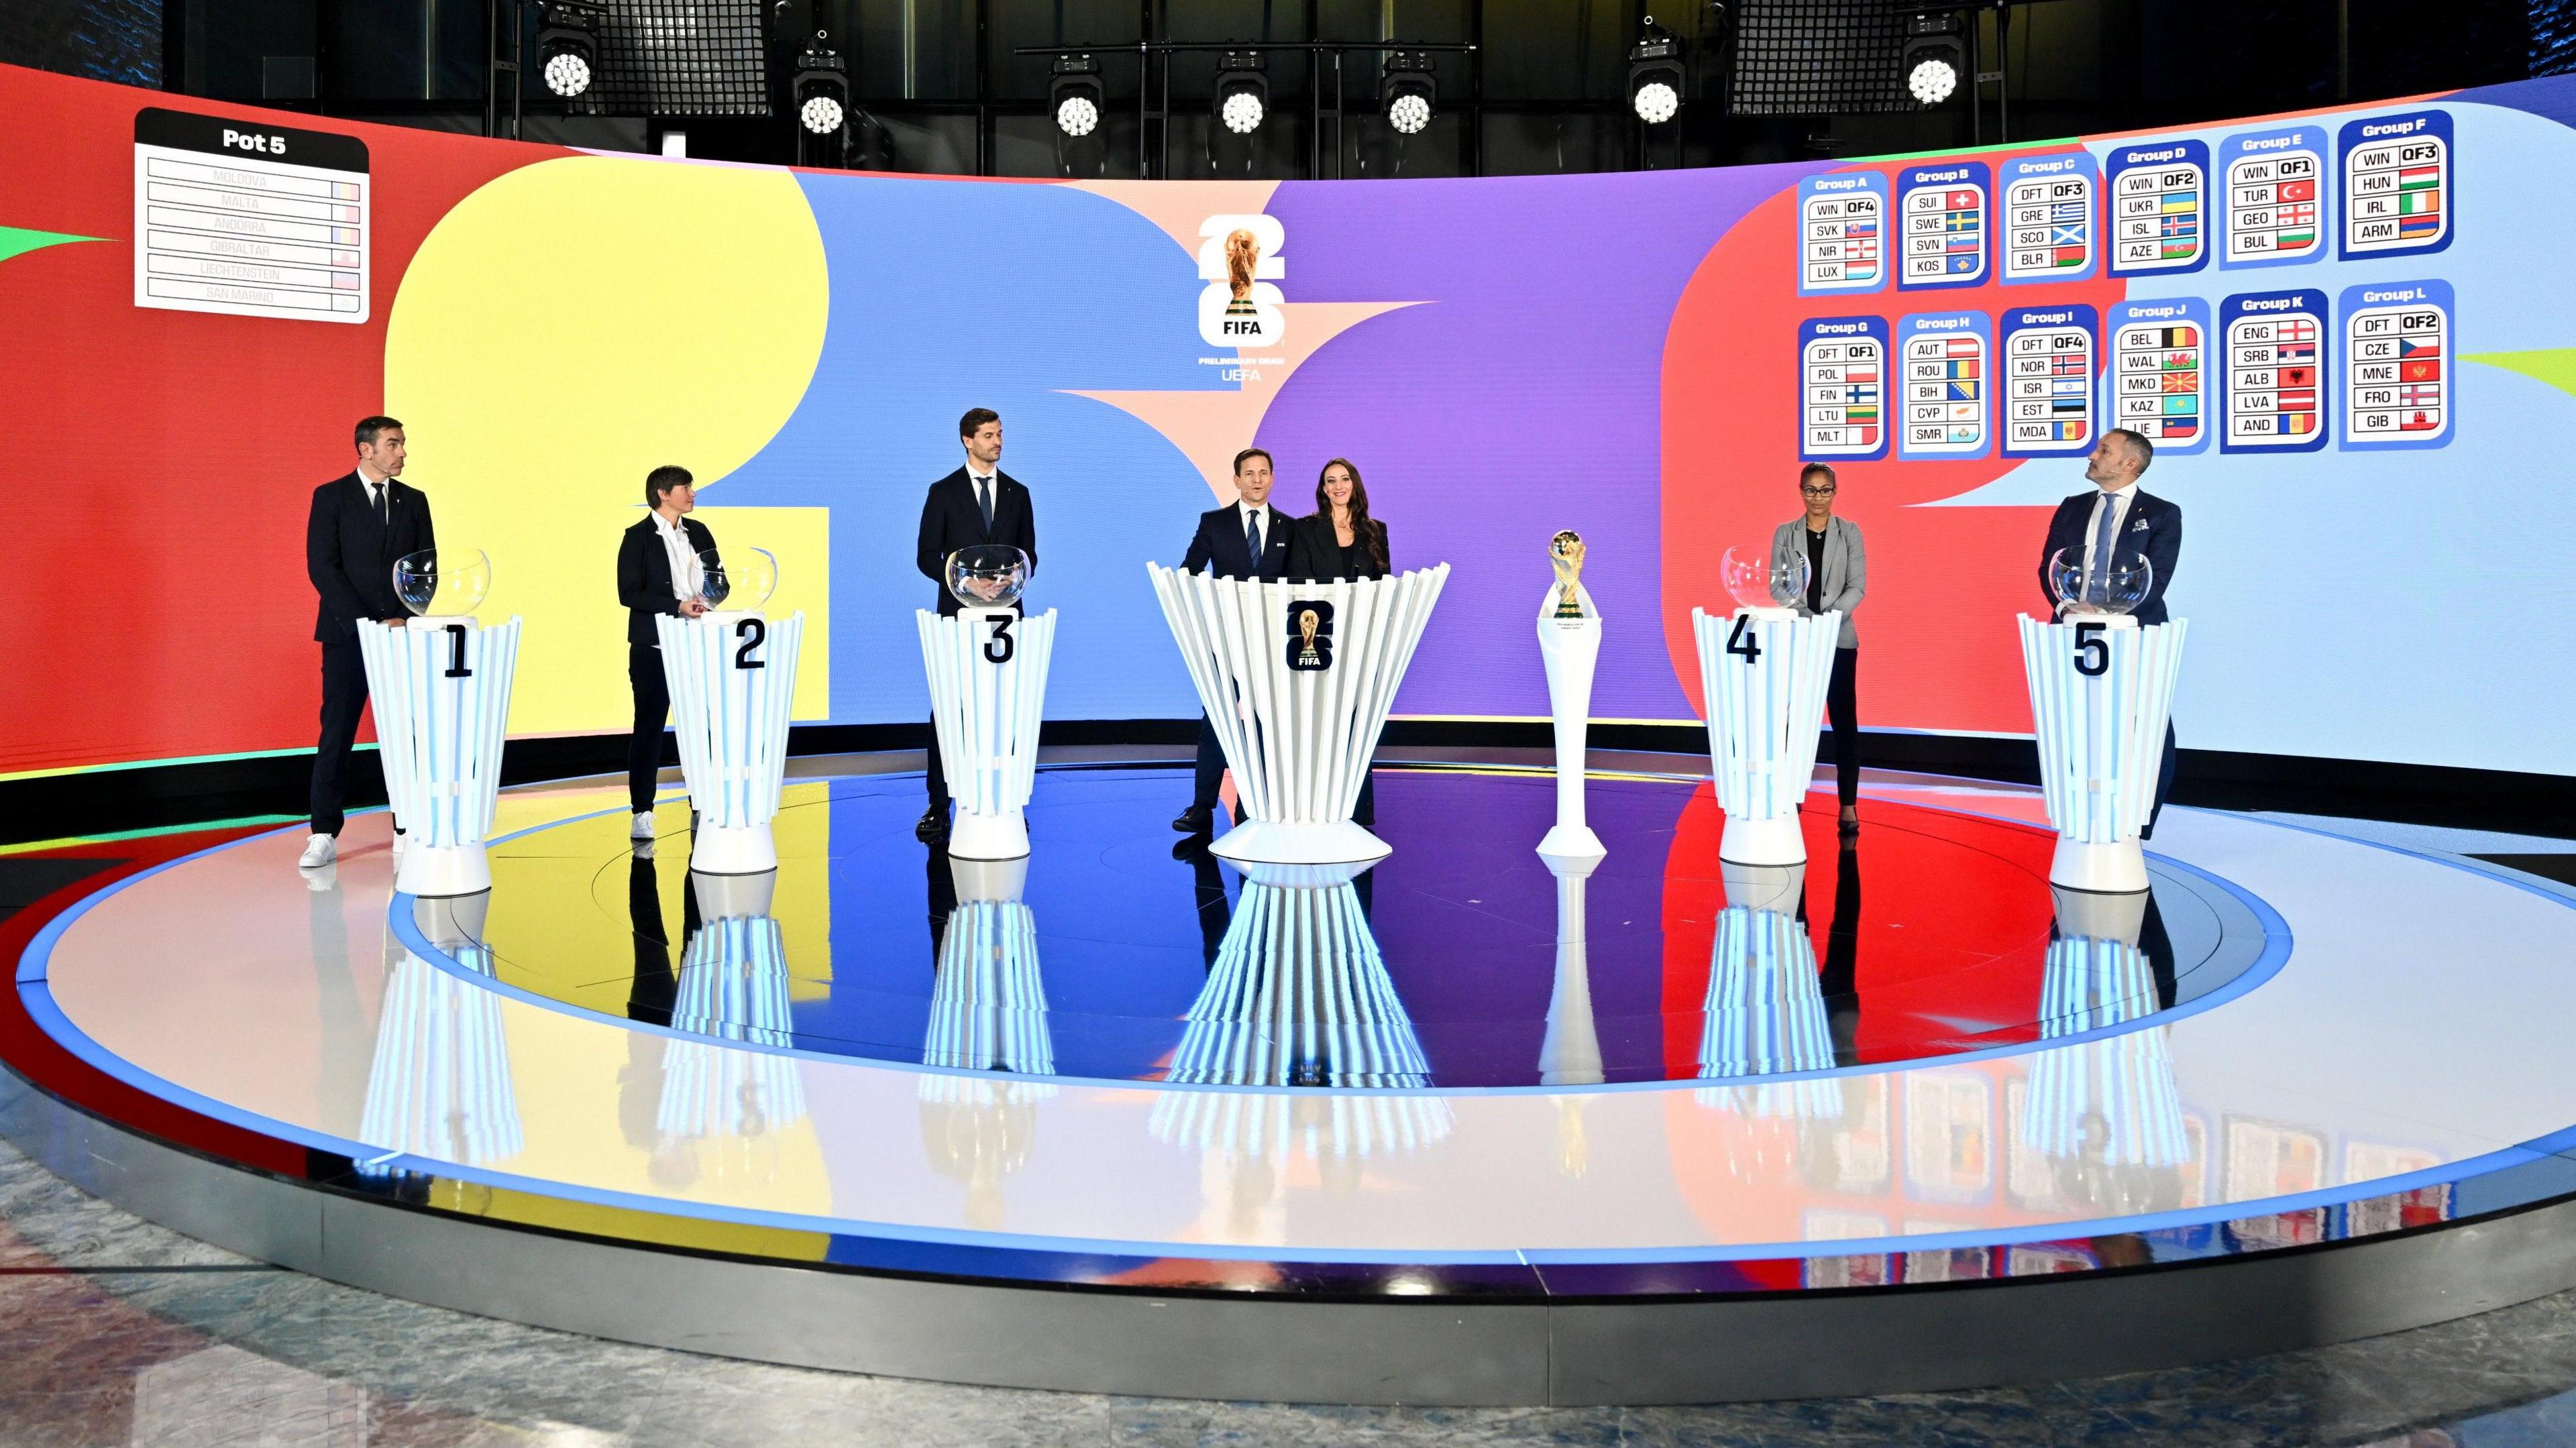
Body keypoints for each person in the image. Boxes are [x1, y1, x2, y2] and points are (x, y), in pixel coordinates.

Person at [300, 416, 435, 870]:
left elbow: (425, 568)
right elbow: (323, 567)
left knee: (404, 732)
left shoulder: (414, 501)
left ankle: (406, 823)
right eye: (393, 444)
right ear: (366, 449)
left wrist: (404, 616)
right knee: (337, 731)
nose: (402, 453)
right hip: (347, 637)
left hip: (400, 635)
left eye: (402, 444)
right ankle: (322, 831)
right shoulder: (331, 497)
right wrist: (366, 622)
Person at [2039, 427, 2183, 836]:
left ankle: (2139, 825)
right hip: (2073, 631)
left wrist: (2107, 612)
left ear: (2130, 464)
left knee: (2148, 729)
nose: (2093, 454)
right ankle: (2079, 820)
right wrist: (2069, 607)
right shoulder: (2072, 507)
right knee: (2073, 726)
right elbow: (2048, 567)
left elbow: (2157, 579)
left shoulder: (2161, 514)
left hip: (2133, 636)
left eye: (2104, 449)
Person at [916, 408, 1038, 841]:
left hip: (1006, 618)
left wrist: (1007, 581)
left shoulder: (1018, 493)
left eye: (1000, 433)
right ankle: (939, 804)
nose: (997, 441)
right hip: (959, 618)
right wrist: (966, 581)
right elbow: (927, 555)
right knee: (952, 710)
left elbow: (1030, 555)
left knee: (1004, 708)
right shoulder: (943, 491)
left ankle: (1005, 801)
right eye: (989, 435)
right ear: (967, 440)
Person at [1172, 447, 1293, 836]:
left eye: (1263, 472)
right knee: (1218, 719)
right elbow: (1188, 572)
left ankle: (1253, 803)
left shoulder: (1291, 528)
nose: (1257, 480)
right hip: (1226, 639)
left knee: (1266, 721)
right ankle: (1202, 807)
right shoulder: (1214, 523)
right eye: (1249, 473)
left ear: (1272, 478)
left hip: (1274, 641)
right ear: (1236, 479)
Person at [1287, 457, 1391, 825]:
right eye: (1330, 481)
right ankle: (1317, 806)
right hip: (1320, 636)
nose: (1337, 486)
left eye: (1344, 479)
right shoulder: (1306, 529)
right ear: (1323, 489)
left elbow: (1382, 588)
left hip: (1361, 636)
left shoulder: (1375, 530)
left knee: (1355, 716)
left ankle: (1358, 810)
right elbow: (1299, 581)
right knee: (1318, 717)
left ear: (1354, 484)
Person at [616, 465, 715, 840]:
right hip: (654, 646)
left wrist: (710, 598)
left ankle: (702, 802)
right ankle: (642, 811)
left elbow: (717, 577)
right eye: (685, 487)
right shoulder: (637, 537)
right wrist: (678, 605)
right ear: (663, 493)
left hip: (697, 644)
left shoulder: (700, 532)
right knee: (650, 729)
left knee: (700, 729)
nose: (692, 493)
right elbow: (629, 593)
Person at [1772, 463, 1866, 837]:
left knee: (1844, 722)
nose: (1817, 498)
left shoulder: (1850, 533)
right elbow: (1778, 588)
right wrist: (1806, 618)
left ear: (1834, 492)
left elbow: (1858, 586)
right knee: (1794, 721)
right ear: (1800, 491)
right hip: (1797, 637)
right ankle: (1792, 796)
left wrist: (1827, 621)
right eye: (1811, 490)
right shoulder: (1785, 534)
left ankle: (1848, 805)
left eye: (1825, 490)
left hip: (1839, 639)